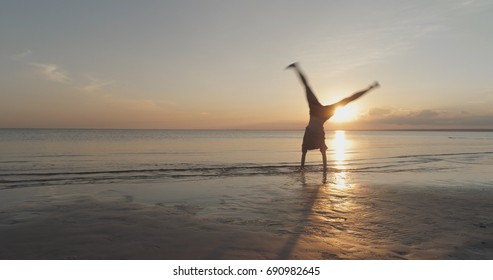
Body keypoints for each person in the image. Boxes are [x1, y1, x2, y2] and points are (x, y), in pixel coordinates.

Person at [285, 62, 379, 171]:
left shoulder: (314, 119)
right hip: (320, 116)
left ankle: (315, 169)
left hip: (317, 115)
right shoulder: (317, 122)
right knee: (347, 100)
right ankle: (314, 169)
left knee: (345, 99)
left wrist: (370, 88)